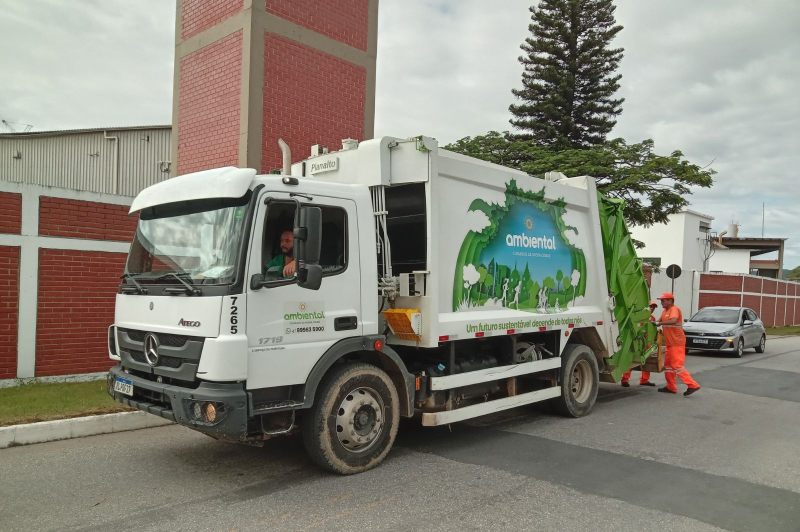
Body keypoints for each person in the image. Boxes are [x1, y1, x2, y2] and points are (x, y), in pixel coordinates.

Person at [655, 292, 700, 396]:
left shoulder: (674, 309)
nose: (661, 302)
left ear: (670, 301)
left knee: (677, 366)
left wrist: (659, 323)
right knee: (668, 366)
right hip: (670, 343)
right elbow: (658, 321)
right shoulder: (664, 311)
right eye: (661, 300)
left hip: (677, 342)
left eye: (663, 300)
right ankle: (670, 387)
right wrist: (652, 323)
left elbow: (673, 320)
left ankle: (692, 385)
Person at [621, 300, 658, 387]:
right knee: (631, 360)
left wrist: (655, 340)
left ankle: (644, 380)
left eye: (654, 307)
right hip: (637, 343)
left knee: (647, 362)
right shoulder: (639, 316)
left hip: (647, 344)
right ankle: (625, 380)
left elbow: (654, 331)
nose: (652, 308)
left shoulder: (653, 318)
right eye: (651, 306)